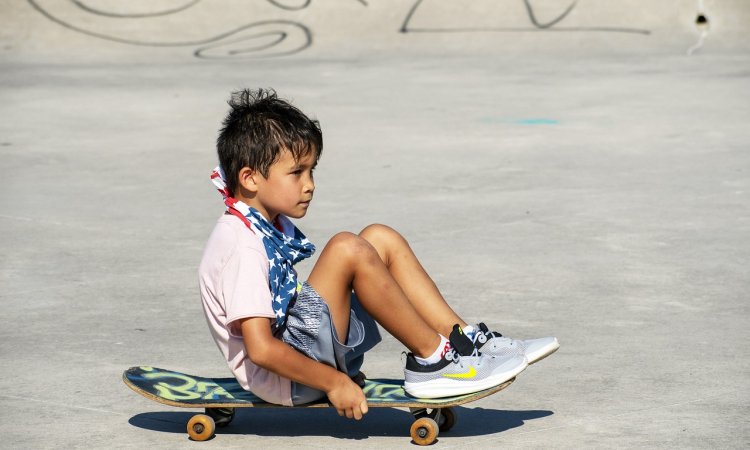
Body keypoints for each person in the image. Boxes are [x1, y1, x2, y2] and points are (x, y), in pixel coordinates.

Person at [198, 89, 559, 421]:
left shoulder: (257, 224)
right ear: (249, 178)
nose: (310, 184)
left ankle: (464, 341)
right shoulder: (241, 246)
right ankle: (434, 362)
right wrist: (333, 382)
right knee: (346, 247)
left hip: (299, 354)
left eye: (312, 170)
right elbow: (260, 350)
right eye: (296, 172)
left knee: (378, 238)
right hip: (288, 379)